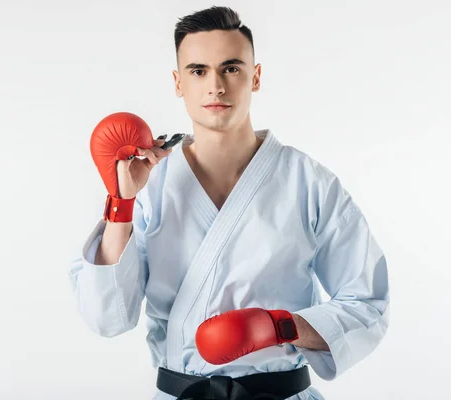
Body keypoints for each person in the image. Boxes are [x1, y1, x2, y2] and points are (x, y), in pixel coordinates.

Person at [68, 6, 390, 400]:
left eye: (231, 68)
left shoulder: (309, 183)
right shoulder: (150, 186)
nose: (215, 86)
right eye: (198, 71)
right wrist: (121, 201)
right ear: (178, 82)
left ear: (255, 77)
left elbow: (368, 304)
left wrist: (279, 326)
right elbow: (107, 318)